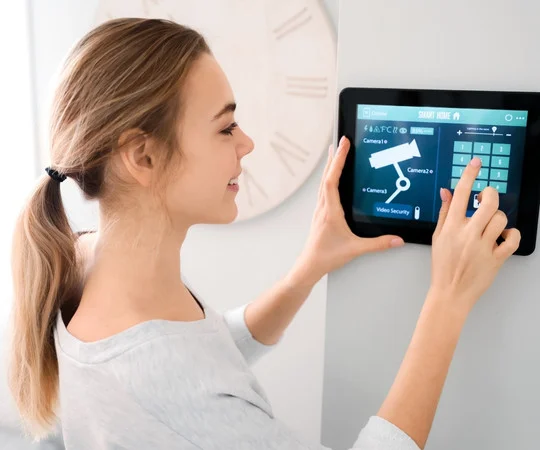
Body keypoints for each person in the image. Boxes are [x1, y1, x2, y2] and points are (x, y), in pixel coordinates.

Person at [8, 18, 520, 450]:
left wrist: (308, 269)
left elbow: (197, 354)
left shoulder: (85, 259)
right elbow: (179, 380)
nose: (246, 142)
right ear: (143, 156)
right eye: (225, 127)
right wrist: (448, 299)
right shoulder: (164, 381)